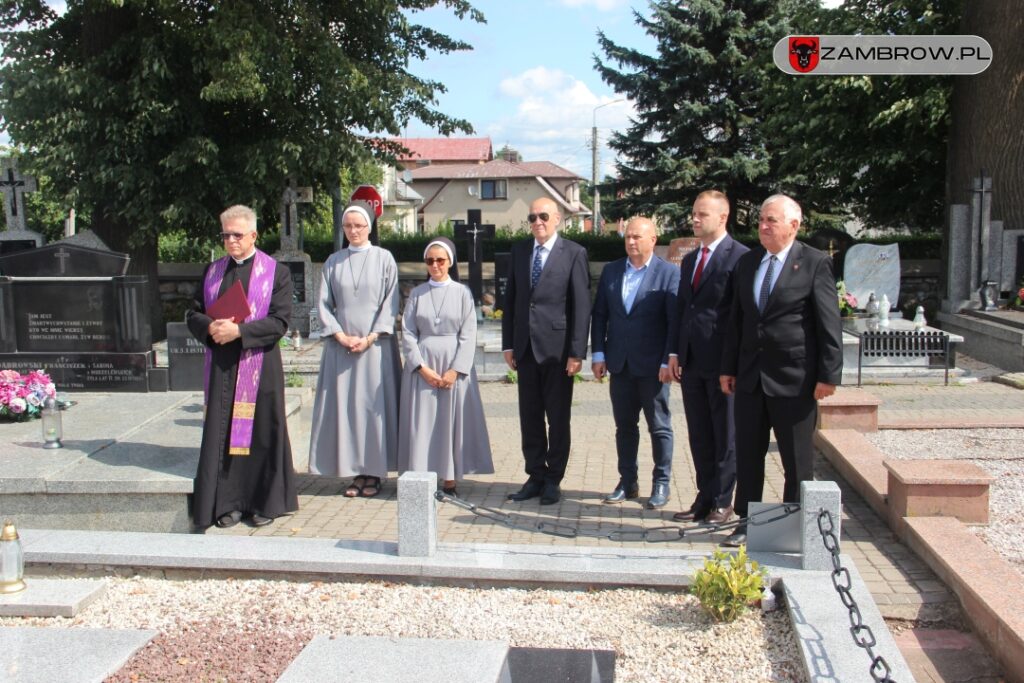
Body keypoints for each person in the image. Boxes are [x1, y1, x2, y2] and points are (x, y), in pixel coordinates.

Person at [719, 194, 843, 546]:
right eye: (761, 219)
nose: (763, 225)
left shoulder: (814, 262)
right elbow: (736, 319)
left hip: (795, 379)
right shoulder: (749, 262)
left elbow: (827, 323)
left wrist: (828, 375)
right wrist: (728, 367)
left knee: (796, 459)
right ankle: (747, 522)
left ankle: (792, 527)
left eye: (771, 220)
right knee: (748, 453)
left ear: (794, 225)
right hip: (750, 377)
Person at [186, 204, 298, 529]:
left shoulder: (276, 272)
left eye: (237, 234)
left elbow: (280, 321)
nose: (231, 241)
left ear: (253, 235)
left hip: (259, 366)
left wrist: (240, 331)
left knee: (261, 434)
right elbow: (192, 312)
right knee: (223, 436)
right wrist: (209, 328)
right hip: (222, 366)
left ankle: (265, 502)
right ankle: (228, 503)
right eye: (226, 235)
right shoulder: (212, 271)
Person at [502, 197, 591, 505]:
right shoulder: (521, 251)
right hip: (525, 349)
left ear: (557, 219)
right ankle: (535, 476)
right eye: (532, 217)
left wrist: (577, 352)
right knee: (529, 418)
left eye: (543, 216)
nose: (537, 222)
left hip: (558, 351)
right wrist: (509, 343)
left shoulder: (574, 253)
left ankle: (554, 479)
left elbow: (581, 306)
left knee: (557, 418)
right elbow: (511, 300)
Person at [666, 191, 749, 525]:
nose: (695, 220)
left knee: (725, 434)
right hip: (692, 361)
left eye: (702, 214)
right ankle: (704, 497)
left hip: (722, 364)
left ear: (722, 217)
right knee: (700, 434)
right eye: (694, 214)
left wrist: (732, 364)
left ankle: (722, 501)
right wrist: (674, 352)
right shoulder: (690, 260)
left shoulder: (739, 257)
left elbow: (738, 316)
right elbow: (683, 309)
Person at [309, 205, 401, 497]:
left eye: (359, 225)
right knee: (348, 410)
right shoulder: (334, 262)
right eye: (348, 225)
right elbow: (323, 303)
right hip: (343, 348)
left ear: (369, 227)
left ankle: (374, 472)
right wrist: (340, 335)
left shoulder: (384, 258)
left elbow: (391, 301)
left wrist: (372, 336)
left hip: (376, 349)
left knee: (374, 410)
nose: (354, 230)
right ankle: (354, 471)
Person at [591, 216, 679, 509]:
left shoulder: (668, 274)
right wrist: (599, 354)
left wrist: (668, 360)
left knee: (659, 427)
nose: (631, 242)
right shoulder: (612, 271)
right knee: (625, 427)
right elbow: (600, 314)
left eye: (637, 237)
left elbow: (673, 322)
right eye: (628, 237)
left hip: (654, 367)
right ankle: (627, 482)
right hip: (620, 364)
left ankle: (661, 483)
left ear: (653, 239)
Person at [398, 239, 494, 494]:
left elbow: (468, 332)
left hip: (453, 366)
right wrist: (420, 367)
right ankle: (421, 476)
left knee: (450, 422)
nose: (436, 265)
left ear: (450, 262)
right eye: (430, 260)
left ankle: (450, 479)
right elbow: (407, 332)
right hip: (425, 367)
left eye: (440, 260)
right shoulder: (417, 294)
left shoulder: (462, 293)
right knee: (425, 422)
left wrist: (455, 370)